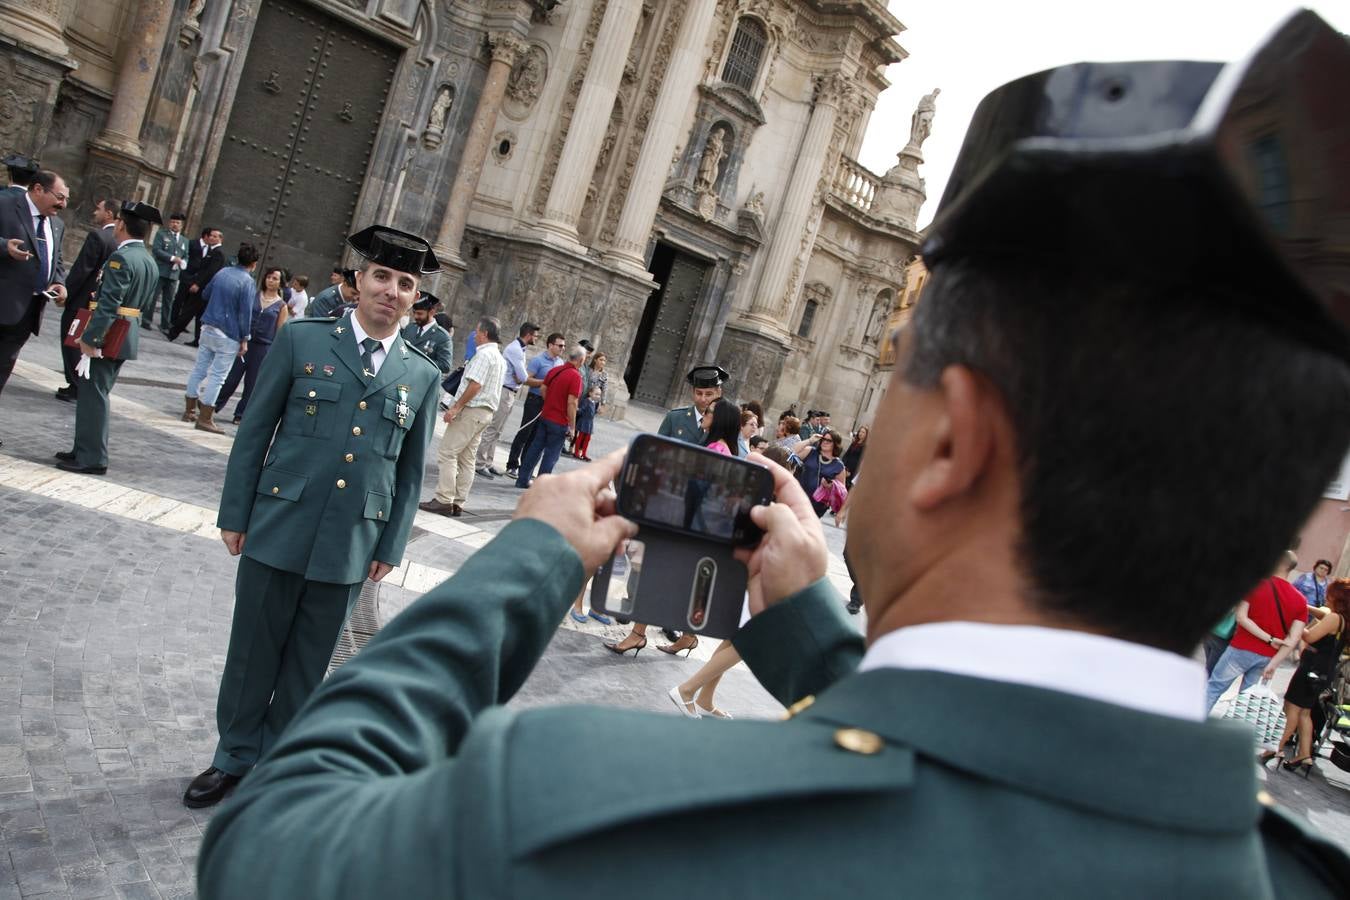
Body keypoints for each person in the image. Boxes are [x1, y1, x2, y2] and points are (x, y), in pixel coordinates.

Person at [196, 18, 1350, 895]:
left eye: (893, 362)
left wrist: (524, 565)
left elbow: (275, 844)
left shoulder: (575, 811)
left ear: (952, 441)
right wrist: (811, 636)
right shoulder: (1292, 872)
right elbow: (991, 785)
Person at [183, 224, 443, 810]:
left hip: (351, 541)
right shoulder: (303, 340)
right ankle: (232, 757)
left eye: (405, 283)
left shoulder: (422, 374)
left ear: (414, 297)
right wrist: (236, 513)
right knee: (252, 651)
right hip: (280, 524)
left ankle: (276, 766)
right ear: (359, 281)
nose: (392, 291)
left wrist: (390, 546)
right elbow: (255, 433)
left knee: (309, 662)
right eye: (382, 276)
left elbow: (409, 473)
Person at [54, 201, 161, 475]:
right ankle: (82, 448)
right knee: (94, 391)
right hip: (126, 332)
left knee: (94, 395)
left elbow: (109, 304)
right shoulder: (147, 259)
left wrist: (91, 338)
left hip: (108, 334)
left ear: (122, 224)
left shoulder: (121, 258)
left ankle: (92, 457)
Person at [419, 316, 506, 518]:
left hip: (471, 410)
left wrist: (456, 407)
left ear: (484, 334)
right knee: (467, 458)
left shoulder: (484, 355)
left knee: (448, 453)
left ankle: (444, 499)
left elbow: (475, 385)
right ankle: (458, 501)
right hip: (485, 413)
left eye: (477, 332)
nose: (475, 336)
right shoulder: (499, 358)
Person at [1262, 579, 1349, 774]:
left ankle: (1274, 749)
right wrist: (1303, 605)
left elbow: (1310, 636)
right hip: (1322, 672)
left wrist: (1297, 622)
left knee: (1291, 709)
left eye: (1330, 593)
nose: (1326, 596)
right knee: (1304, 712)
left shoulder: (1334, 618)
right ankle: (1304, 754)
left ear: (1338, 597)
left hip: (1312, 670)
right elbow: (1321, 614)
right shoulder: (1342, 619)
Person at [1204, 551, 1307, 712]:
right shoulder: (1300, 600)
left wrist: (1268, 638)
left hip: (1240, 648)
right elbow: (1294, 638)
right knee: (1248, 703)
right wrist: (1274, 663)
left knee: (1213, 689)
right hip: (1268, 656)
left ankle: (1192, 723)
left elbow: (1241, 617)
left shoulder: (1254, 585)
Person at [0, 169, 67, 406]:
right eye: (60, 197)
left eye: (66, 199)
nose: (63, 204)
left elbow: (57, 259)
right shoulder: (5, 205)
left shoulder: (57, 224)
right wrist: (4, 247)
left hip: (28, 311)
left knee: (3, 368)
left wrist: (58, 281)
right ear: (38, 189)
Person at [181, 243, 260, 434]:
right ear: (254, 264)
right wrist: (245, 338)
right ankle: (205, 417)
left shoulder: (223, 272)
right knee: (218, 376)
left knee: (199, 369)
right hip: (229, 332)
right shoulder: (248, 282)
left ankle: (189, 410)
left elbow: (206, 293)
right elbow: (245, 313)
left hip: (208, 325)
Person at [55, 197, 118, 402]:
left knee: (72, 340)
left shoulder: (98, 236)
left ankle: (76, 385)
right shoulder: (118, 240)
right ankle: (81, 385)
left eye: (99, 209)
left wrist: (67, 293)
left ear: (109, 213)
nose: (94, 212)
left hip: (81, 300)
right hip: (100, 301)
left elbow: (82, 270)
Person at [214, 266, 291, 424]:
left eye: (275, 278)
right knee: (231, 378)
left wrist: (276, 354)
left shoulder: (281, 305)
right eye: (268, 277)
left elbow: (280, 332)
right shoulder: (253, 296)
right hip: (245, 343)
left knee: (252, 384)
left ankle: (240, 414)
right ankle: (213, 405)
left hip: (263, 348)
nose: (270, 281)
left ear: (280, 283)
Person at [515, 344, 585, 488]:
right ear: (581, 360)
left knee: (535, 448)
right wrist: (572, 427)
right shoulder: (576, 377)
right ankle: (541, 486)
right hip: (560, 421)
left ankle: (522, 479)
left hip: (546, 415)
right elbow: (572, 403)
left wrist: (549, 403)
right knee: (551, 455)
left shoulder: (555, 370)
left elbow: (543, 388)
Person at [477, 321, 537, 478]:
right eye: (535, 336)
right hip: (505, 391)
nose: (536, 339)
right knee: (492, 429)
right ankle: (479, 462)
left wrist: (520, 377)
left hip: (510, 392)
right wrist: (520, 377)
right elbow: (523, 376)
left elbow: (521, 376)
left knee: (498, 430)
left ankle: (488, 462)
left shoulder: (520, 349)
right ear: (528, 335)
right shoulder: (515, 349)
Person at [505, 331, 565, 479]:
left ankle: (525, 468)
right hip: (534, 400)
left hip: (548, 403)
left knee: (536, 437)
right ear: (550, 345)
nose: (562, 348)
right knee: (525, 433)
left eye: (564, 346)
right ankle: (512, 465)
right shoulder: (538, 360)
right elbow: (526, 380)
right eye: (560, 345)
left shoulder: (560, 363)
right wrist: (545, 382)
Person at [166, 225, 225, 344]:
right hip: (203, 287)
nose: (212, 238)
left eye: (215, 236)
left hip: (203, 288)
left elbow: (210, 272)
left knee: (188, 310)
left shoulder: (218, 253)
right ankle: (198, 339)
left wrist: (197, 284)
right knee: (199, 315)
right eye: (211, 236)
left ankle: (173, 333)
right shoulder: (212, 250)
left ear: (220, 239)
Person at [791, 429, 847, 517]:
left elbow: (841, 491)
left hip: (817, 505)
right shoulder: (810, 451)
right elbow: (792, 451)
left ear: (836, 444)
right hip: (797, 496)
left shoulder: (839, 466)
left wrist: (830, 486)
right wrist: (810, 441)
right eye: (823, 439)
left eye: (829, 440)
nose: (825, 442)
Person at [149, 212, 188, 331]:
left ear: (181, 225)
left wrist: (183, 262)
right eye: (172, 222)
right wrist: (172, 258)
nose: (174, 224)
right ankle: (146, 320)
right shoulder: (161, 234)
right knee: (153, 297)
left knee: (169, 300)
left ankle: (165, 324)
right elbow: (157, 250)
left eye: (177, 223)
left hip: (173, 274)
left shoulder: (184, 240)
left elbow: (186, 255)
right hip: (161, 271)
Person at [401, 291, 453, 375]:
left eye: (420, 314)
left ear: (431, 312)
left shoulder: (442, 337)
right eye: (414, 313)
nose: (416, 316)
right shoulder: (410, 328)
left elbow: (445, 366)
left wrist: (419, 361)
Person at [573, 386, 600, 461]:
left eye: (599, 395)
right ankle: (576, 453)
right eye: (596, 394)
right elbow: (581, 410)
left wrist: (597, 411)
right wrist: (577, 409)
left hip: (589, 423)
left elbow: (592, 413)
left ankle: (583, 454)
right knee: (580, 438)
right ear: (590, 393)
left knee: (587, 439)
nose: (598, 396)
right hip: (584, 422)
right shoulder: (586, 401)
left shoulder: (594, 403)